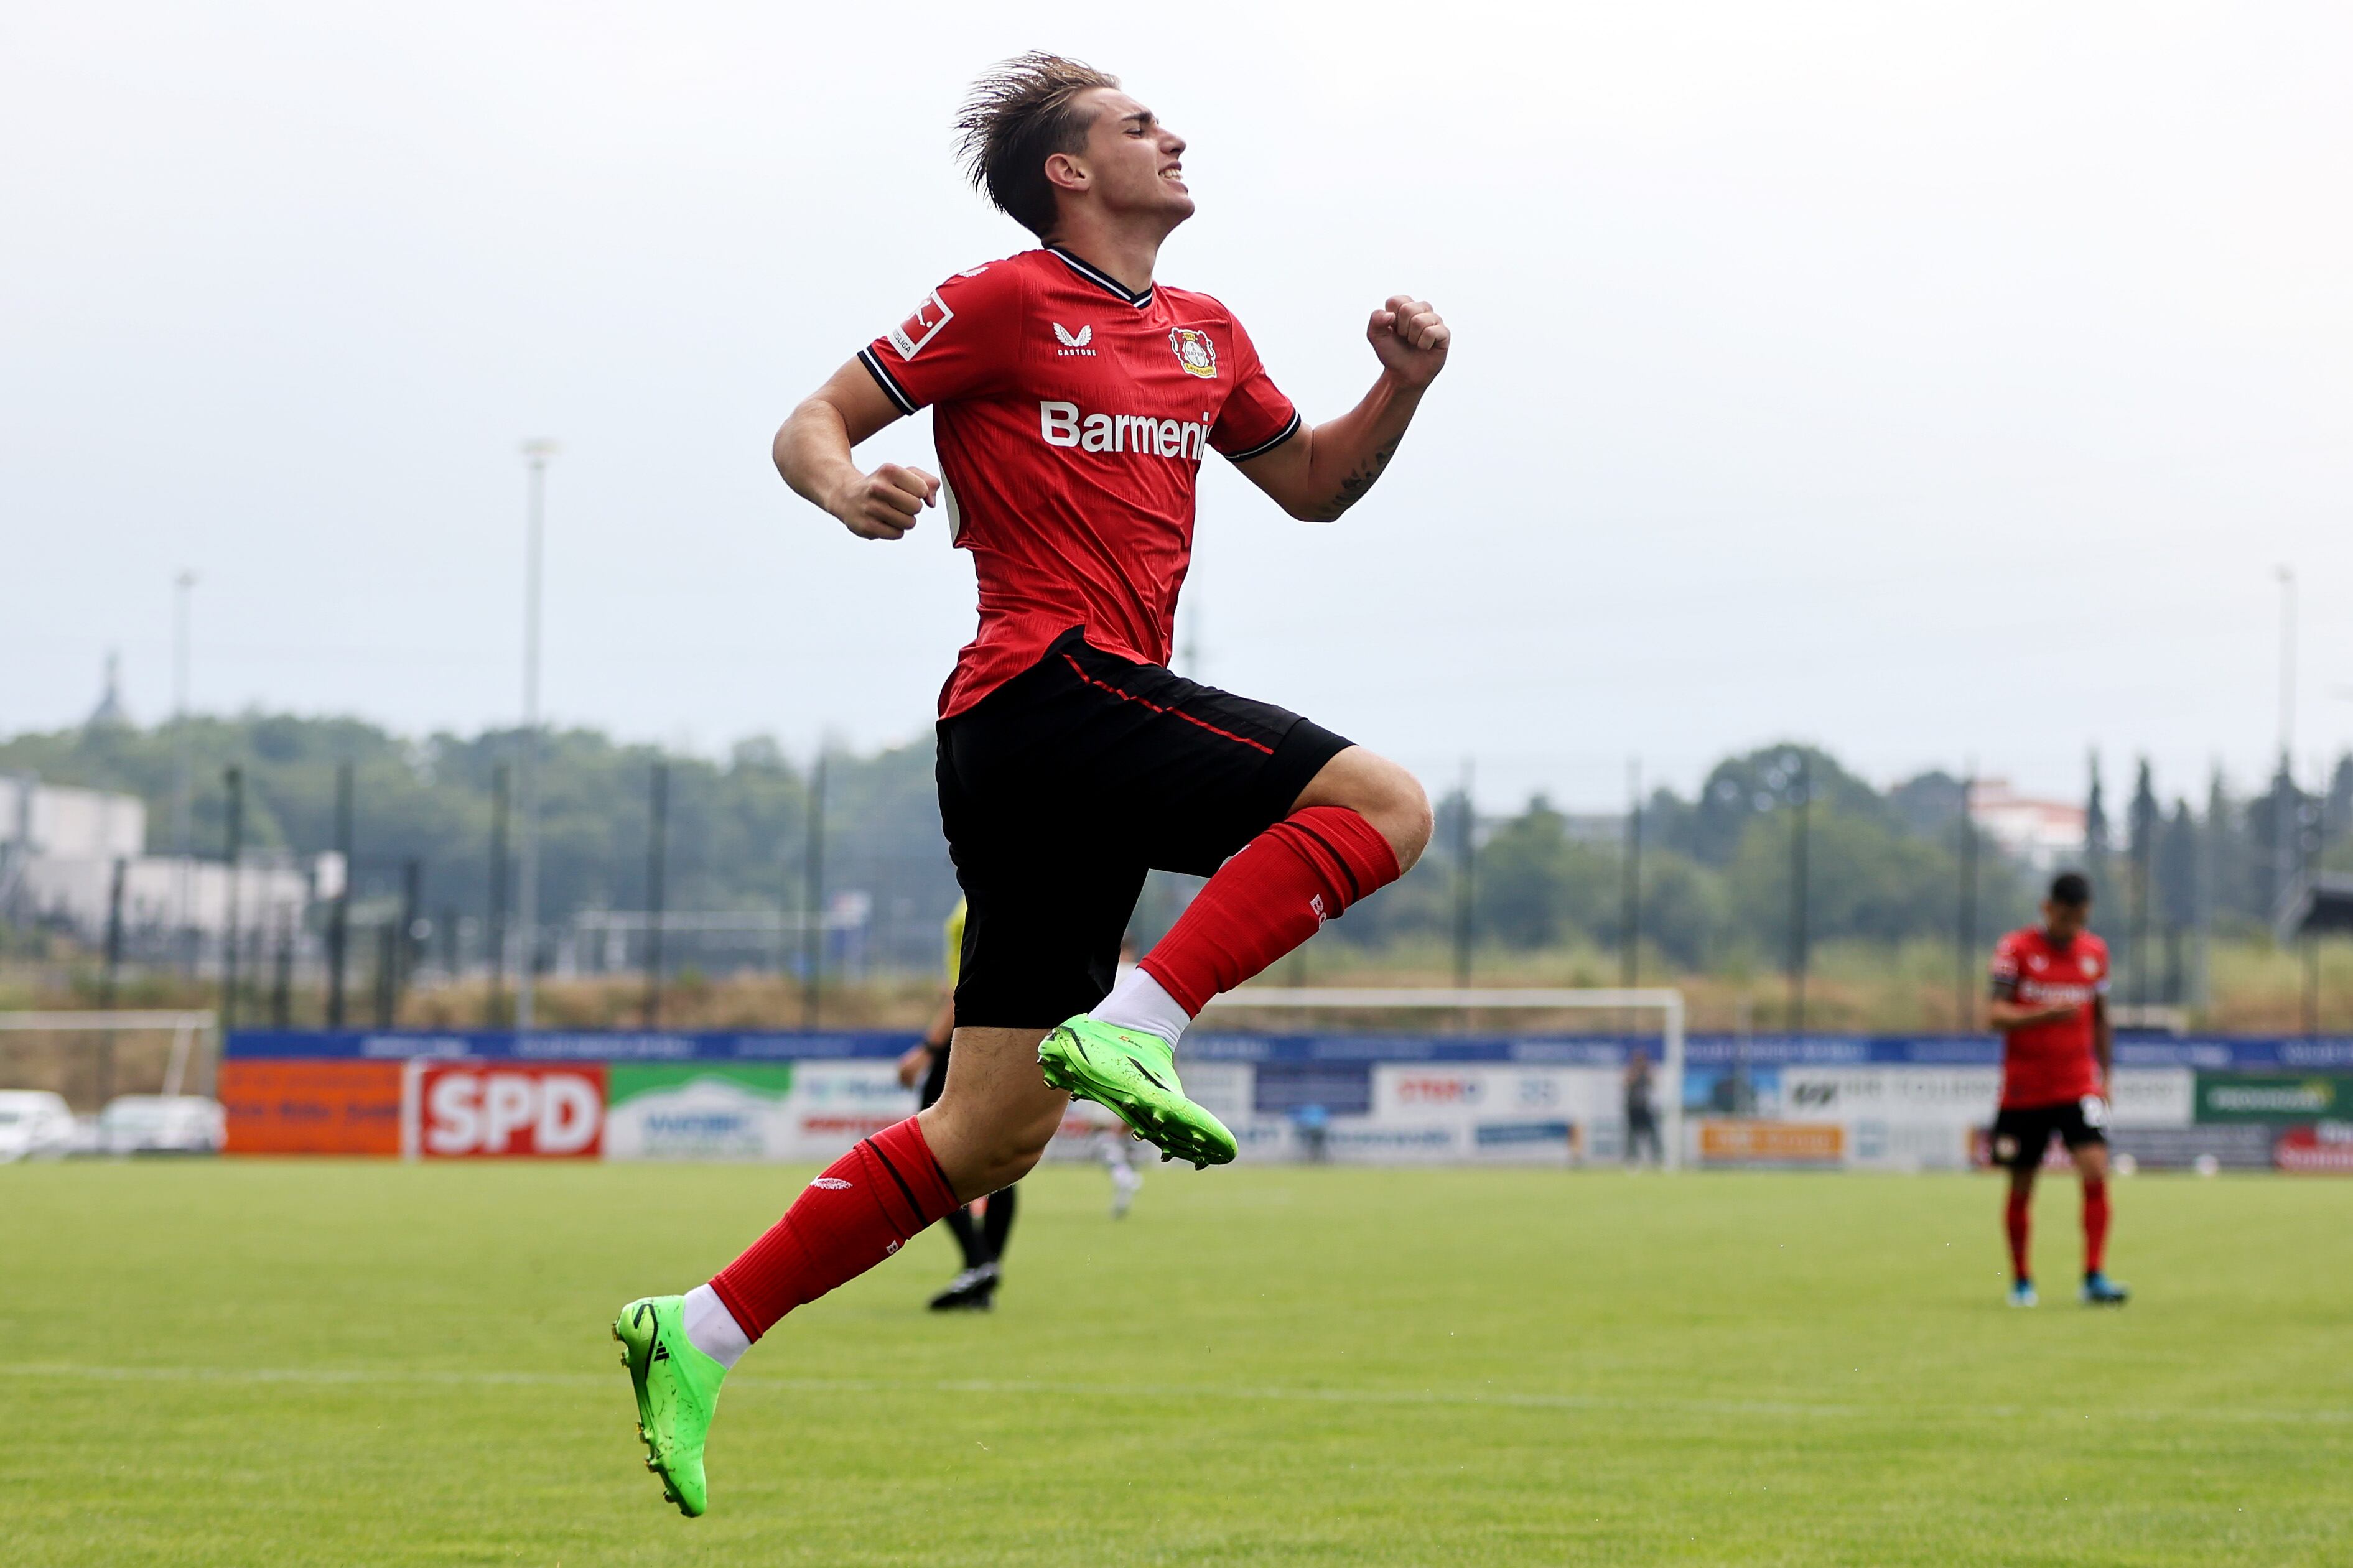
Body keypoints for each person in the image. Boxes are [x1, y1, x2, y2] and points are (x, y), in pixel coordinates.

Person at [612, 53, 1443, 1516]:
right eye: (1136, 124)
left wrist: (1401, 385)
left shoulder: (1204, 331)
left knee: (989, 1133)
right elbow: (809, 418)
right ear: (1067, 172)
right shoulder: (998, 300)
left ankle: (700, 1328)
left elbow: (1313, 484)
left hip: (1061, 734)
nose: (1170, 134)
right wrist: (841, 486)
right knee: (1383, 807)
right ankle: (1141, 1025)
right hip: (1037, 690)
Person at [1985, 871, 2130, 1309]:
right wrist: (2044, 1014)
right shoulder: (2015, 950)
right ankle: (2022, 1280)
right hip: (2026, 1088)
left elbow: (2102, 1017)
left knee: (2095, 1168)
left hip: (2077, 1084)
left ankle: (2093, 1275)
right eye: (2066, 918)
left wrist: (2106, 1075)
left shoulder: (2095, 952)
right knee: (2023, 1182)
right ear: (2048, 909)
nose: (2073, 928)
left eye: (2080, 919)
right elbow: (1995, 1014)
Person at [893, 899, 1017, 1309]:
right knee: (1003, 1155)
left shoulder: (980, 901)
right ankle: (982, 1276)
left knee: (930, 1154)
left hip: (970, 1037)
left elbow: (969, 985)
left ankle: (979, 1263)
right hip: (1013, 1036)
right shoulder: (1017, 887)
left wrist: (927, 1049)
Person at [1623, 1046, 1661, 1167]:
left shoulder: (1648, 1072)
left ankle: (1656, 1158)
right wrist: (1635, 1073)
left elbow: (1654, 1084)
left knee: (1652, 1134)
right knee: (1632, 1136)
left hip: (1645, 1107)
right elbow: (1626, 1083)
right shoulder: (1631, 1071)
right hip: (1633, 1108)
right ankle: (1632, 1159)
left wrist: (1648, 1072)